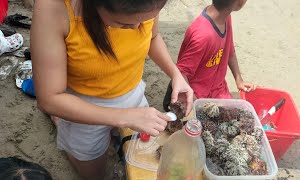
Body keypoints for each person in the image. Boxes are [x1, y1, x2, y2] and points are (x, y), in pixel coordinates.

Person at [30, 0, 193, 179]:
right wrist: (124, 117)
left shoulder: (147, 2)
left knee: (134, 151)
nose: (137, 28)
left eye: (146, 19)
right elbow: (49, 99)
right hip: (82, 105)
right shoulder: (53, 8)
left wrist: (175, 74)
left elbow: (152, 37)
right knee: (94, 174)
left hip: (132, 91)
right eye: (123, 24)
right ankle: (60, 121)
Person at [163, 0, 256, 111]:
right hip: (194, 95)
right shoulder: (202, 36)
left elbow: (229, 49)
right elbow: (181, 73)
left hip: (217, 88)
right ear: (240, 2)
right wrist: (196, 104)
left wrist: (239, 79)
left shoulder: (225, 16)